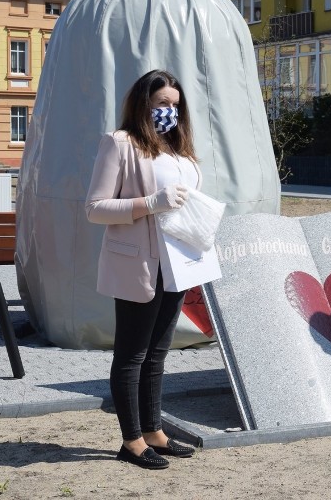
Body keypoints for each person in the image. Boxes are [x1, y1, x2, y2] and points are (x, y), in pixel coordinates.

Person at [86, 69, 199, 469]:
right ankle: (131, 441)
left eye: (174, 104)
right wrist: (152, 202)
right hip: (139, 263)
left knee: (158, 354)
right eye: (161, 103)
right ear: (142, 104)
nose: (169, 111)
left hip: (178, 262)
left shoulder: (178, 147)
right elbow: (95, 208)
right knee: (133, 354)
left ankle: (155, 432)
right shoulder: (119, 143)